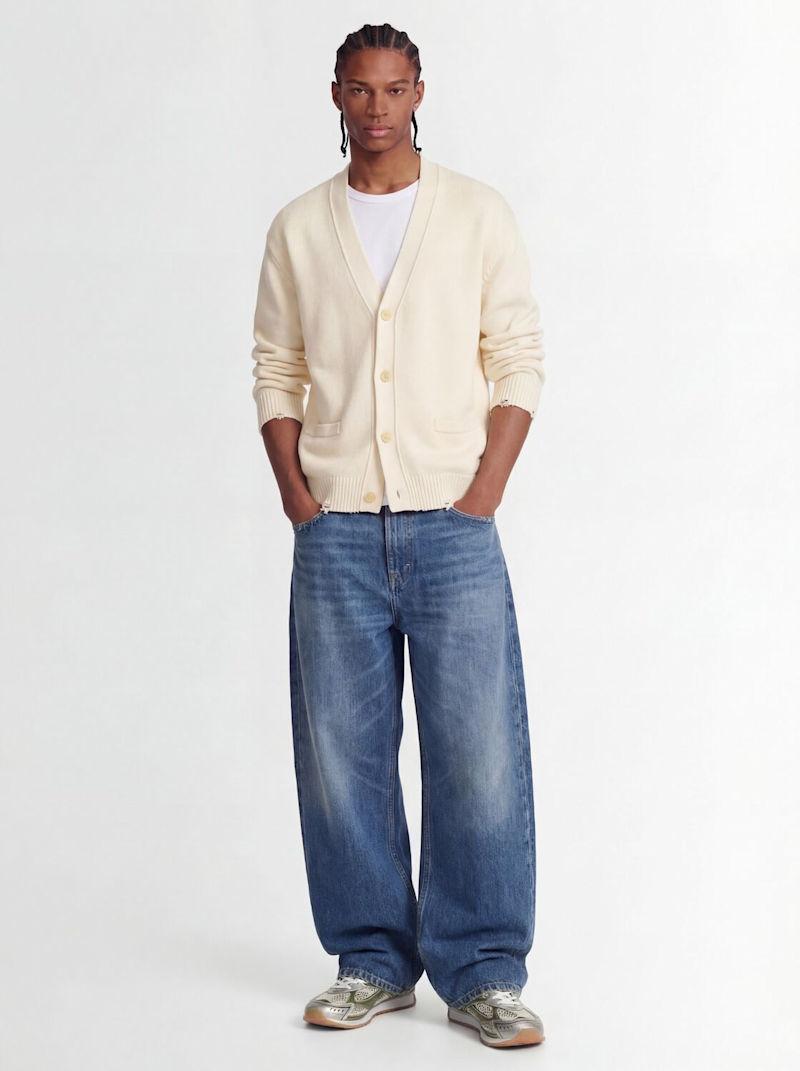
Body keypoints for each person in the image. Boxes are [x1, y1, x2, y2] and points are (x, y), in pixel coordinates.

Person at [250, 23, 547, 1050]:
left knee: (478, 754)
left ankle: (484, 973)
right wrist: (296, 494)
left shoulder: (475, 213)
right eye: (358, 89)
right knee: (342, 758)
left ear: (419, 91)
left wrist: (483, 491)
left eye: (392, 88)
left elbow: (517, 355)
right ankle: (371, 961)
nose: (375, 107)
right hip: (334, 534)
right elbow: (275, 365)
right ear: (335, 95)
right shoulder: (299, 228)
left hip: (453, 530)